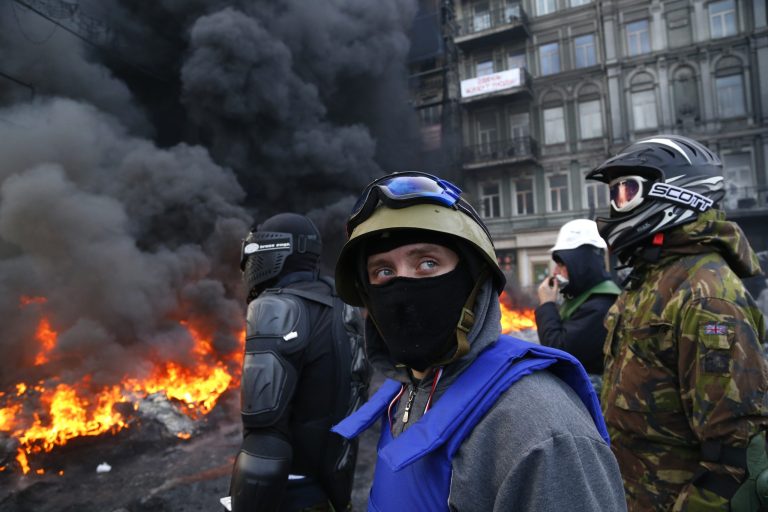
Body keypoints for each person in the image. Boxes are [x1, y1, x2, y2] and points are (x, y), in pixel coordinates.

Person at [331, 171, 627, 510]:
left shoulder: (540, 430)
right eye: (383, 272)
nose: (402, 291)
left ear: (476, 281)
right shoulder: (408, 389)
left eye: (427, 263)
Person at [587, 134, 768, 511]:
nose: (616, 205)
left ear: (680, 194)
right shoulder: (652, 279)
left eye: (627, 191)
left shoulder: (707, 297)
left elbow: (733, 456)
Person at [228, 213, 370, 512]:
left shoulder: (273, 306)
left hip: (288, 493)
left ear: (273, 251)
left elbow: (263, 431)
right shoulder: (340, 305)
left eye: (253, 251)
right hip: (331, 488)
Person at [535, 219, 621, 386]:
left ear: (580, 264)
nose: (555, 272)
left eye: (561, 264)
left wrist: (547, 305)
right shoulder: (586, 298)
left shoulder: (600, 307)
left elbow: (558, 352)